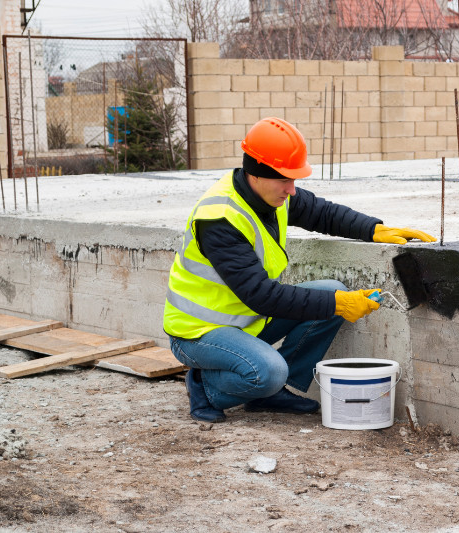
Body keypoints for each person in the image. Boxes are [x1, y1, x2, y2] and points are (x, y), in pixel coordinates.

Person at [163, 117, 436, 423]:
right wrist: (340, 304)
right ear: (256, 174)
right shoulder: (219, 219)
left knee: (331, 291)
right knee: (271, 369)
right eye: (285, 180)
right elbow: (262, 296)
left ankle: (270, 393)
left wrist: (375, 229)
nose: (292, 190)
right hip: (199, 332)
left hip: (246, 321)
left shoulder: (271, 195)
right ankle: (205, 386)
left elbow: (323, 213)